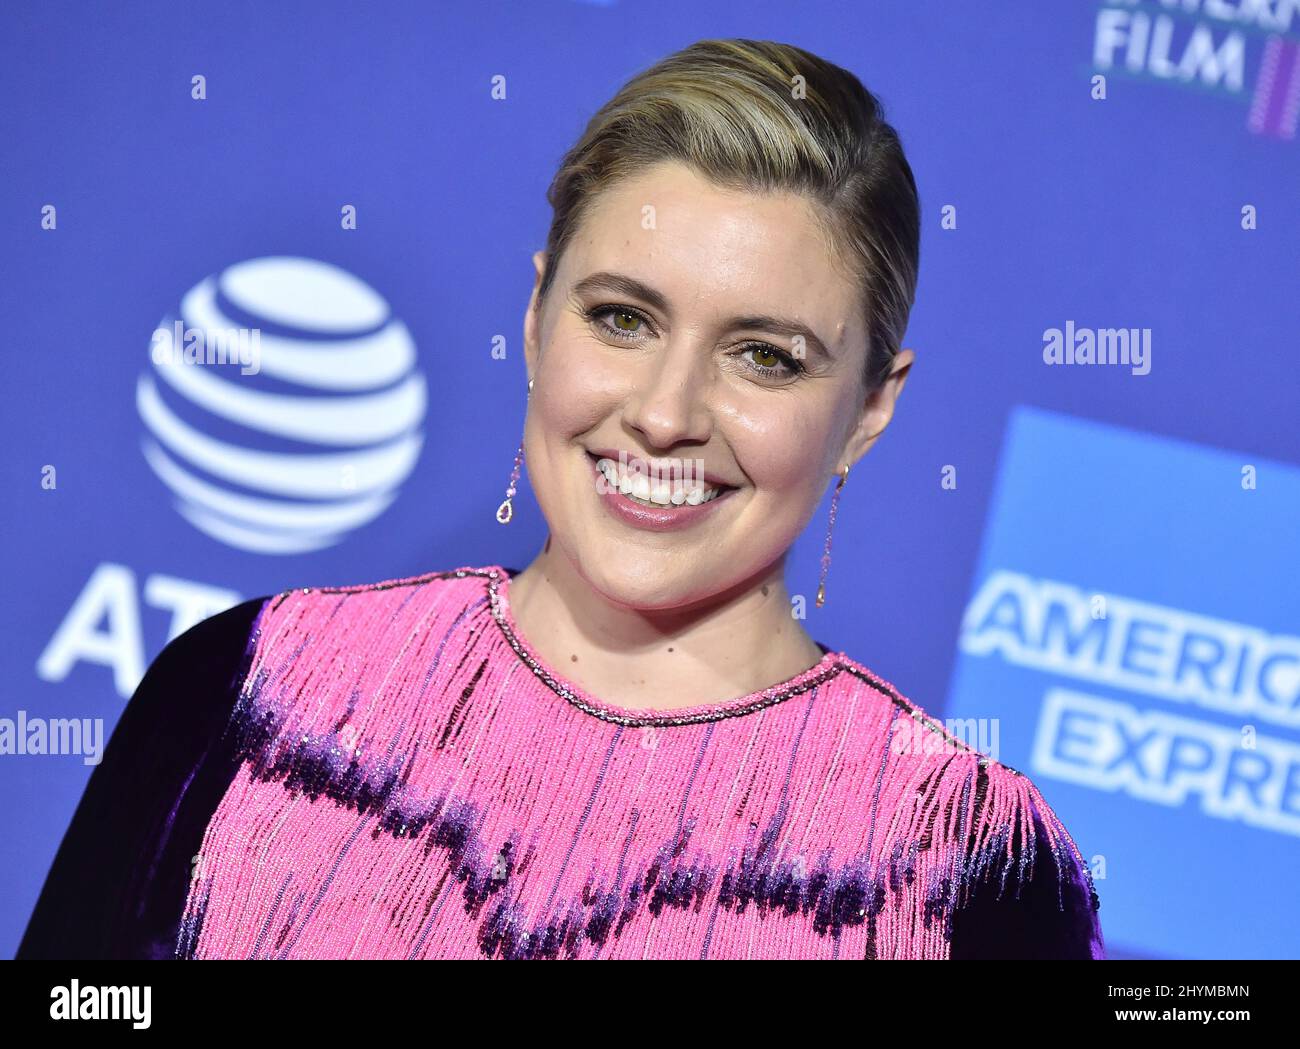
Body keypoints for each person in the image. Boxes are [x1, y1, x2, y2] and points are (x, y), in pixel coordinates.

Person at [17, 38, 1103, 961]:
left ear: (869, 408)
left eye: (764, 356)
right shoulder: (249, 691)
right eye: (622, 319)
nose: (666, 412)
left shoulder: (965, 862)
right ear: (538, 316)